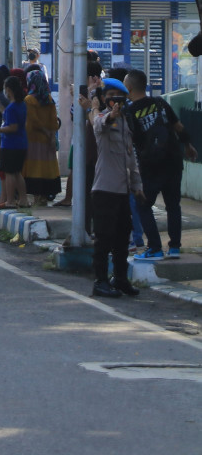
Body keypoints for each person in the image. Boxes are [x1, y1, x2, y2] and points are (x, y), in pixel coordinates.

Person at [125, 69, 197, 259]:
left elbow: (129, 142)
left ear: (129, 87)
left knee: (143, 205)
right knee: (173, 205)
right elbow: (178, 127)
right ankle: (174, 248)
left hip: (151, 165)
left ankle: (155, 248)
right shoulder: (160, 103)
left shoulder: (130, 112)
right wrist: (188, 145)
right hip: (173, 161)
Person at [85, 78, 142, 298]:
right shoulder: (102, 120)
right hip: (105, 190)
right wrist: (108, 114)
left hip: (122, 190)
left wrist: (137, 185)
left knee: (122, 238)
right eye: (110, 97)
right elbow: (99, 125)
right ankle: (100, 281)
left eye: (120, 97)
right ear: (104, 99)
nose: (115, 101)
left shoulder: (125, 123)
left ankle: (120, 278)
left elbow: (131, 158)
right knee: (104, 238)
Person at [0, 74, 29, 210]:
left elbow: (12, 127)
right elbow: (10, 118)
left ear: (9, 90)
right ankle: (23, 199)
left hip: (11, 144)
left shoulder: (12, 108)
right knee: (17, 172)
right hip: (21, 143)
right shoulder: (20, 105)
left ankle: (10, 201)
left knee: (9, 173)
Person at [22, 69, 62, 205]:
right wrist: (51, 135)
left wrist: (44, 131)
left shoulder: (29, 100)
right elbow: (54, 120)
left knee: (34, 168)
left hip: (33, 140)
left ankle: (37, 197)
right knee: (46, 168)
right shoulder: (49, 99)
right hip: (48, 140)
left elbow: (33, 121)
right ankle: (44, 196)